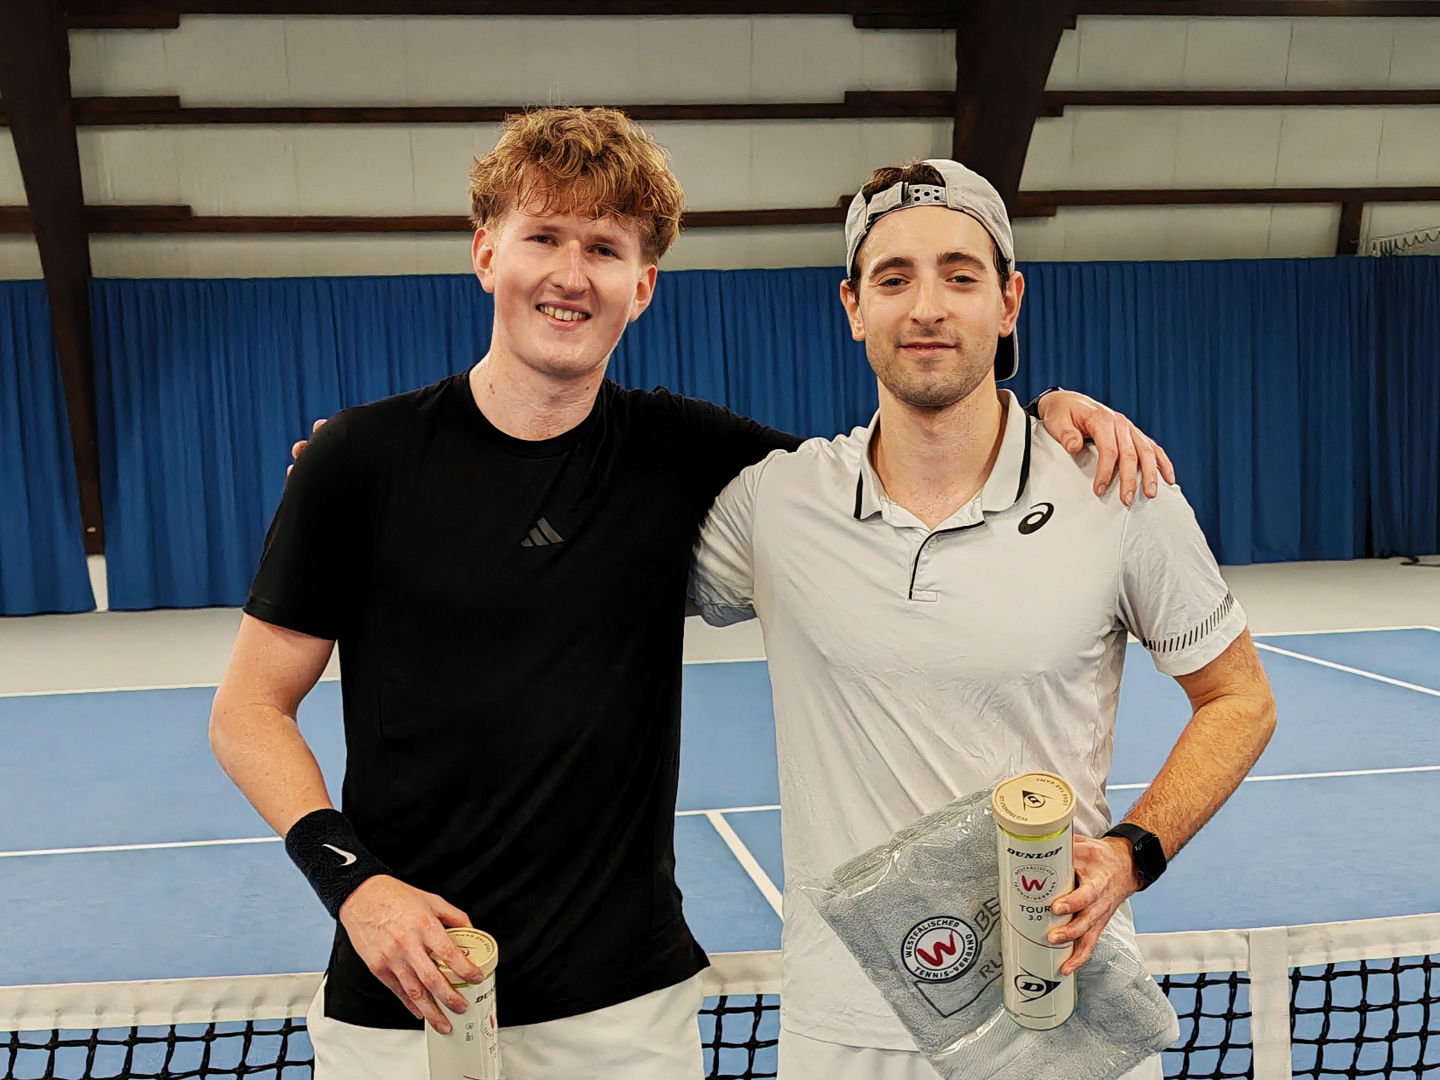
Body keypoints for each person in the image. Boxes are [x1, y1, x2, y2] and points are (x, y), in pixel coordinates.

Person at [213, 109, 1173, 1080]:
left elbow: (897, 468)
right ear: (486, 252)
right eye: (543, 237)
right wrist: (358, 889)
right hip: (400, 1003)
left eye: (605, 248)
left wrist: (1042, 413)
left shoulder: (687, 456)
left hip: (628, 1014)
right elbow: (249, 711)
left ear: (644, 285)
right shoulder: (357, 462)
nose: (570, 274)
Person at [688, 159, 1277, 1080]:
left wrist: (1130, 855)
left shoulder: (1116, 490)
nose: (927, 307)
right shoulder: (777, 504)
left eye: (960, 275)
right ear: (852, 307)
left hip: (1058, 1006)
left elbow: (1239, 698)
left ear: (1009, 302)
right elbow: (597, 563)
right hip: (845, 1029)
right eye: (894, 278)